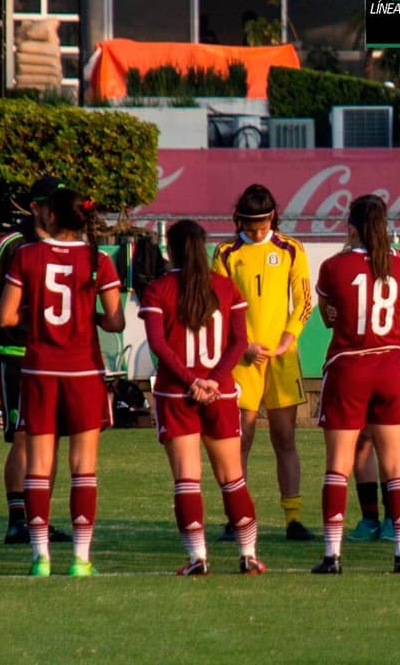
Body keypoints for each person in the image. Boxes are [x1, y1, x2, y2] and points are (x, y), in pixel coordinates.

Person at [0, 187, 125, 577]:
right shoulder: (97, 260)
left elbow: (4, 317)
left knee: (38, 466)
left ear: (51, 216)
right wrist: (91, 318)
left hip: (39, 371)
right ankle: (81, 559)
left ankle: (41, 558)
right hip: (83, 371)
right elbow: (116, 321)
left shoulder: (27, 255)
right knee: (83, 466)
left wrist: (36, 317)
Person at [139, 220, 265, 575]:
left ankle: (198, 558)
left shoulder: (159, 289)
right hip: (220, 394)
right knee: (233, 477)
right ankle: (249, 554)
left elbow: (159, 344)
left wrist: (192, 381)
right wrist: (214, 381)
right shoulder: (225, 288)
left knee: (187, 479)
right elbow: (239, 342)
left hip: (177, 394)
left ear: (172, 250)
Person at [312, 194, 400, 574]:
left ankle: (332, 555)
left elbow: (327, 317)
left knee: (338, 464)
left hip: (348, 366)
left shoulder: (333, 266)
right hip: (389, 365)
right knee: (396, 465)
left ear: (351, 226)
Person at [212, 184, 316, 541]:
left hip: (281, 359)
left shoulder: (290, 249)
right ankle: (236, 518)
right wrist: (241, 347)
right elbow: (219, 308)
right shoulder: (225, 253)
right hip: (242, 360)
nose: (256, 233)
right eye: (249, 226)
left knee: (284, 437)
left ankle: (293, 518)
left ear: (272, 216)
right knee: (240, 439)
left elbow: (304, 301)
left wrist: (287, 340)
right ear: (238, 219)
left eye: (262, 225)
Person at [0, 176, 71, 545]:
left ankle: (41, 517)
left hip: (58, 358)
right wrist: (18, 318)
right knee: (25, 437)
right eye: (52, 205)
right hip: (19, 354)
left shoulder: (68, 242)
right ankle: (18, 519)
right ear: (35, 207)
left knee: (54, 439)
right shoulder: (11, 243)